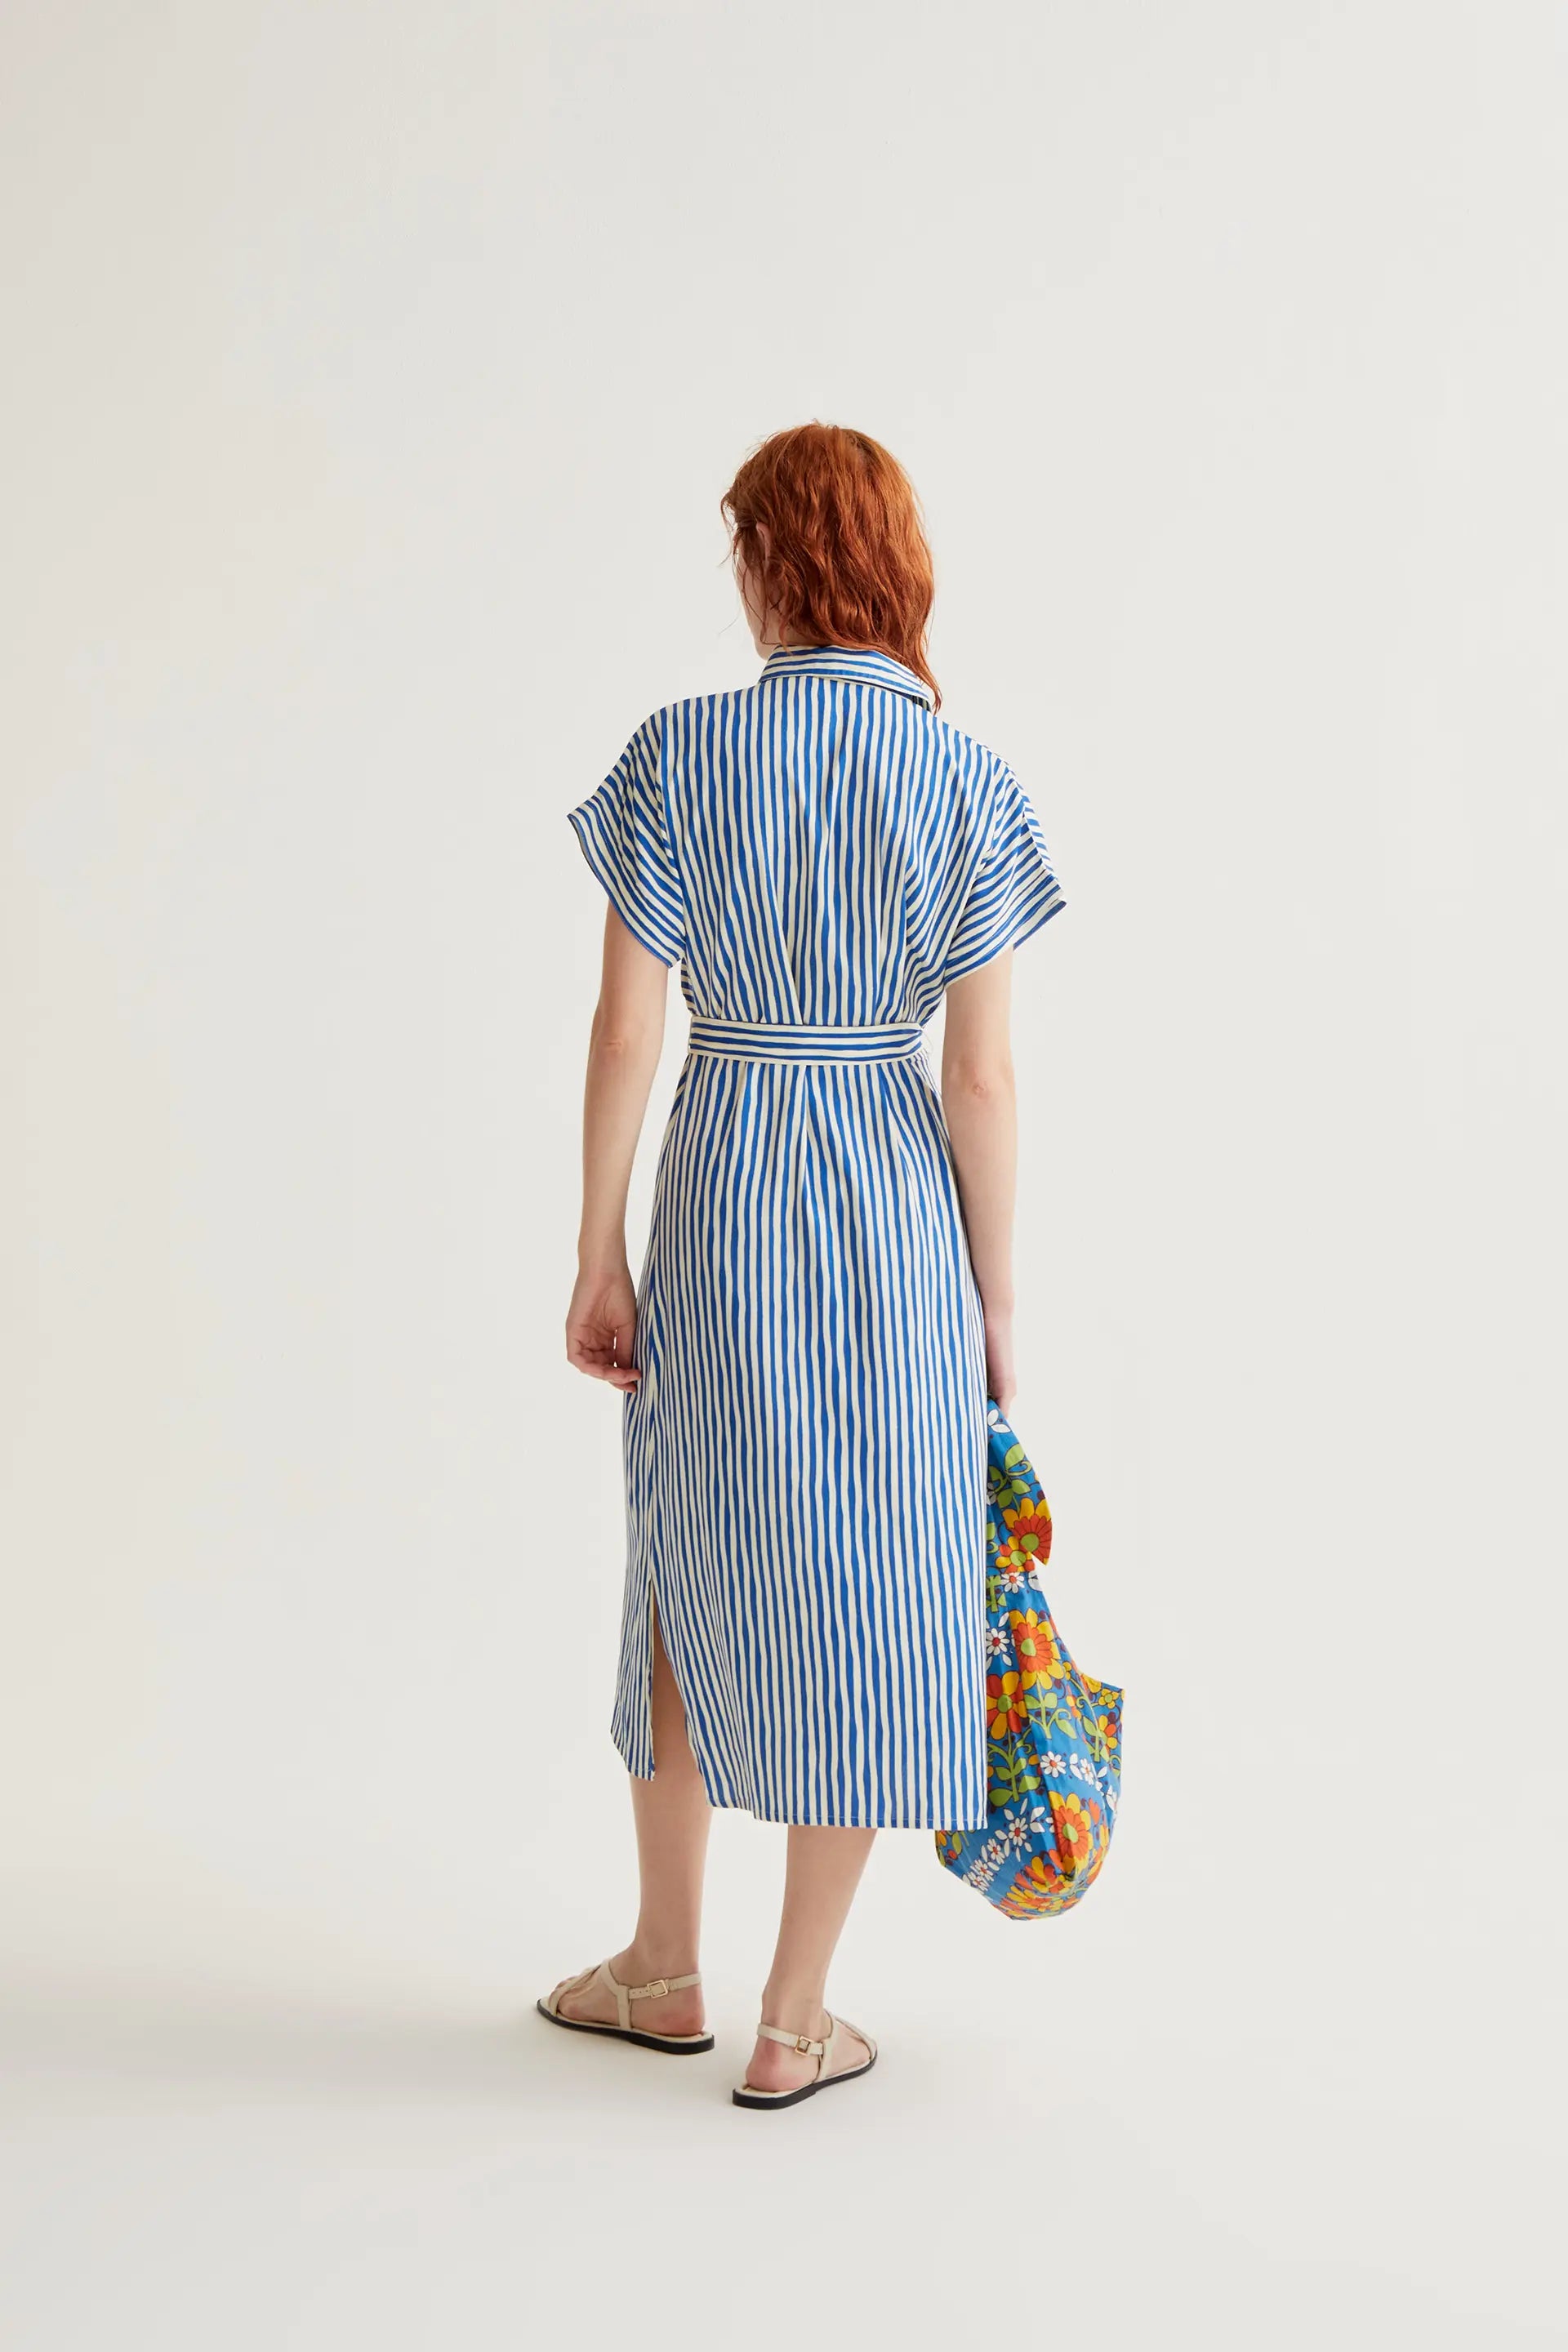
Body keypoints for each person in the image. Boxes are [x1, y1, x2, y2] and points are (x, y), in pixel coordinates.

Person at [538, 421, 1066, 2111]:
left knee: (688, 1549)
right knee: (877, 1575)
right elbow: (980, 1081)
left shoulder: (681, 753)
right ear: (897, 570)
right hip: (894, 1204)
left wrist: (598, 1251)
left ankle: (660, 1967)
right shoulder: (967, 781)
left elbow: (627, 1031)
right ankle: (793, 2016)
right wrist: (991, 1298)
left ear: (771, 561)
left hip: (723, 1184)